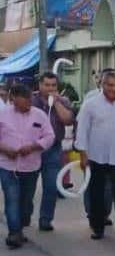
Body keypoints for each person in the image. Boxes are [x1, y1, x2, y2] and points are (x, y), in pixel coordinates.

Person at [76, 71, 115, 240]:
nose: (113, 89)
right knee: (96, 193)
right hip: (96, 155)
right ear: (103, 85)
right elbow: (82, 129)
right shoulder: (91, 103)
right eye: (110, 85)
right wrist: (82, 153)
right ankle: (98, 227)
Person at [0, 84, 55, 248]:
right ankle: (14, 233)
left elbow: (50, 136)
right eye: (24, 102)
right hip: (7, 165)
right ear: (13, 100)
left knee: (25, 202)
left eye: (30, 101)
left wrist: (33, 146)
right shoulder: (3, 114)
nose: (28, 105)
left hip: (30, 166)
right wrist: (5, 149)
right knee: (12, 199)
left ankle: (21, 225)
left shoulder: (39, 115)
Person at [31, 72, 75, 231]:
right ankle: (25, 213)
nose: (50, 88)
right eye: (47, 85)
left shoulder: (63, 101)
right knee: (28, 186)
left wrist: (56, 103)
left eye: (53, 85)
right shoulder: (31, 101)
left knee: (51, 186)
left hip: (53, 149)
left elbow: (68, 120)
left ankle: (45, 219)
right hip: (33, 149)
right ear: (40, 85)